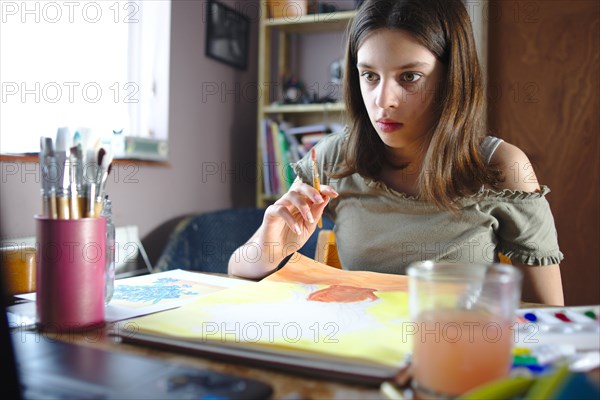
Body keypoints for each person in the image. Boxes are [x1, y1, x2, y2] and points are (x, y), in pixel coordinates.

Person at [229, 0, 564, 305]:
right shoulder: (332, 159)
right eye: (370, 76)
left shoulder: (502, 167)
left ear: (452, 78)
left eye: (409, 77)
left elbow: (549, 314)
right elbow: (239, 271)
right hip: (361, 355)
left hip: (457, 356)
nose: (383, 100)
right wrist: (273, 241)